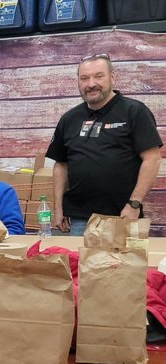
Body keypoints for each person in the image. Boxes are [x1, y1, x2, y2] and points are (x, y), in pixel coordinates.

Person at [46, 52, 162, 235]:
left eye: (98, 76)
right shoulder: (69, 119)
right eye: (84, 78)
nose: (91, 84)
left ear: (112, 77)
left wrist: (134, 204)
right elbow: (61, 165)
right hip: (79, 220)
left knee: (124, 265)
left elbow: (152, 159)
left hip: (123, 216)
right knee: (80, 264)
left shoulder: (134, 111)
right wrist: (58, 208)